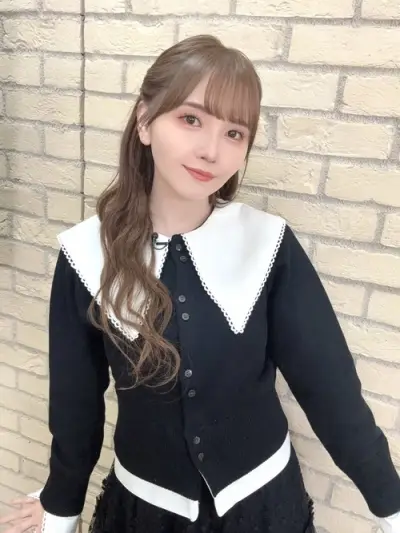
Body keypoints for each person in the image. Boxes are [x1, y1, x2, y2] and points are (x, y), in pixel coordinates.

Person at [0, 34, 399, 533]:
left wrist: (391, 504)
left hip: (264, 507)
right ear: (145, 121)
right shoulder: (84, 254)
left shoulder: (269, 244)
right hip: (143, 512)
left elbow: (331, 390)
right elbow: (75, 406)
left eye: (234, 133)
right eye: (191, 119)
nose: (211, 151)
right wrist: (61, 505)